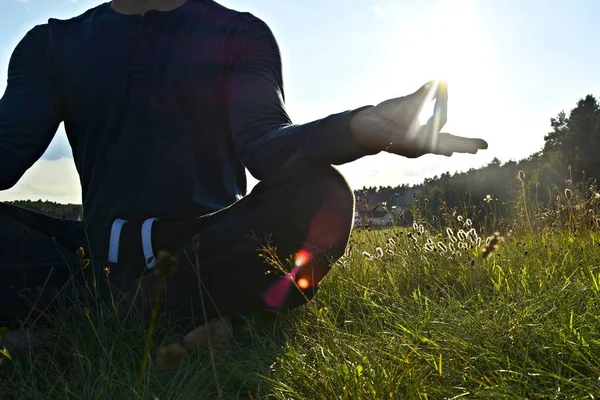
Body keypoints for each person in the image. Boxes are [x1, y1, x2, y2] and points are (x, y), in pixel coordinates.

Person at [0, 0, 487, 351]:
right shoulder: (49, 43)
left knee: (322, 195)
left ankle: (80, 324)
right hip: (88, 254)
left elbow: (265, 144)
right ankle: (186, 315)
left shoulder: (238, 33)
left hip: (208, 248)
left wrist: (358, 128)